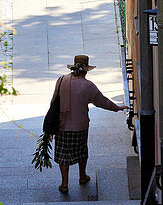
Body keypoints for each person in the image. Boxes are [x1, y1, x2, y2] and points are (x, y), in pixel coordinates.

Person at [51, 54, 126, 194]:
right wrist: (117, 108)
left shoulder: (61, 80)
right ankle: (82, 176)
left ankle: (64, 183)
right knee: (81, 151)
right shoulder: (88, 86)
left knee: (63, 154)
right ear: (86, 70)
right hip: (80, 125)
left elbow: (53, 102)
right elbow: (102, 101)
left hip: (62, 124)